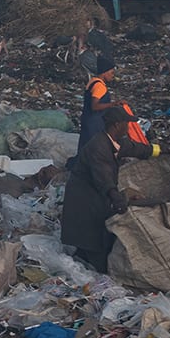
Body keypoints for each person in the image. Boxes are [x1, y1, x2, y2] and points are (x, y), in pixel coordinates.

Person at [60, 100, 156, 272]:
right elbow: (103, 177)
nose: (129, 127)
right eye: (127, 123)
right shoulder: (99, 147)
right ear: (117, 125)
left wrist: (161, 150)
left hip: (93, 193)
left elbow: (138, 149)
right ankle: (96, 271)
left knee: (90, 235)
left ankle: (83, 261)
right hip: (84, 196)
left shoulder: (115, 141)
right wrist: (116, 197)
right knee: (93, 237)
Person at [78, 53, 121, 150]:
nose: (112, 76)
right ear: (104, 72)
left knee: (85, 148)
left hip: (87, 120)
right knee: (93, 149)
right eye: (111, 73)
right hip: (94, 123)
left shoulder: (93, 81)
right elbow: (95, 106)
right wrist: (113, 104)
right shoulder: (100, 86)